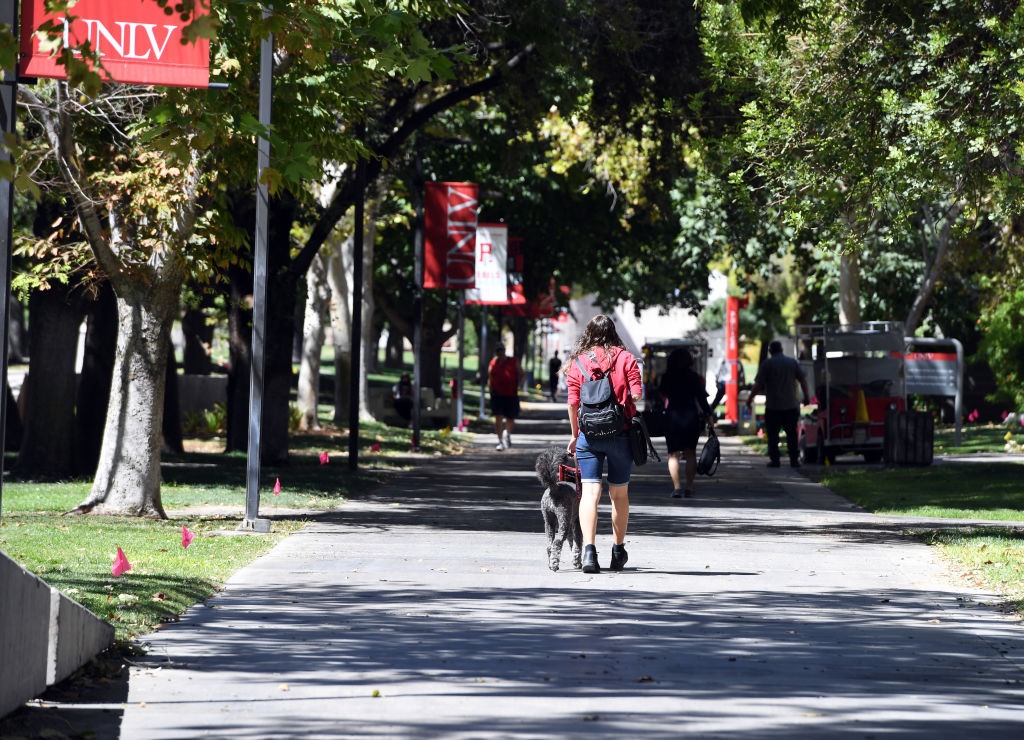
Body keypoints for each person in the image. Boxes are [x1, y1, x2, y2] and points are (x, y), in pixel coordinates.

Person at [564, 315, 643, 573]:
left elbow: (573, 403)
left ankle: (589, 552)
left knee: (590, 494)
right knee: (618, 494)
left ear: (589, 333)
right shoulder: (626, 358)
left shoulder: (578, 362)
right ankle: (618, 551)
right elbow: (637, 395)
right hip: (620, 435)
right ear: (613, 332)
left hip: (588, 436)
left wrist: (575, 435)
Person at [746, 340, 810, 468]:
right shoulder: (792, 363)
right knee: (791, 433)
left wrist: (750, 399)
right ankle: (794, 460)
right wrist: (807, 397)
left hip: (773, 406)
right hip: (790, 405)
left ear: (770, 351)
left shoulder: (767, 364)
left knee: (773, 434)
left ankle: (775, 460)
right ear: (781, 350)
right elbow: (803, 381)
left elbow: (758, 385)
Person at [659, 348, 714, 498]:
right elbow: (702, 400)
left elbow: (661, 395)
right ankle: (689, 487)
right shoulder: (693, 377)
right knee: (690, 453)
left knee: (673, 455)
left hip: (672, 417)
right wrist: (709, 417)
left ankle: (677, 488)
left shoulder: (667, 377)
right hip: (691, 417)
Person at [487, 345, 522, 450]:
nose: (499, 352)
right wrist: (490, 390)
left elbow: (522, 374)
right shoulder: (493, 363)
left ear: (504, 350)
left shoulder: (513, 361)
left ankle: (507, 432)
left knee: (511, 418)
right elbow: (490, 378)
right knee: (498, 417)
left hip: (511, 394)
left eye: (501, 350)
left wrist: (521, 385)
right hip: (497, 395)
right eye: (497, 350)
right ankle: (500, 441)